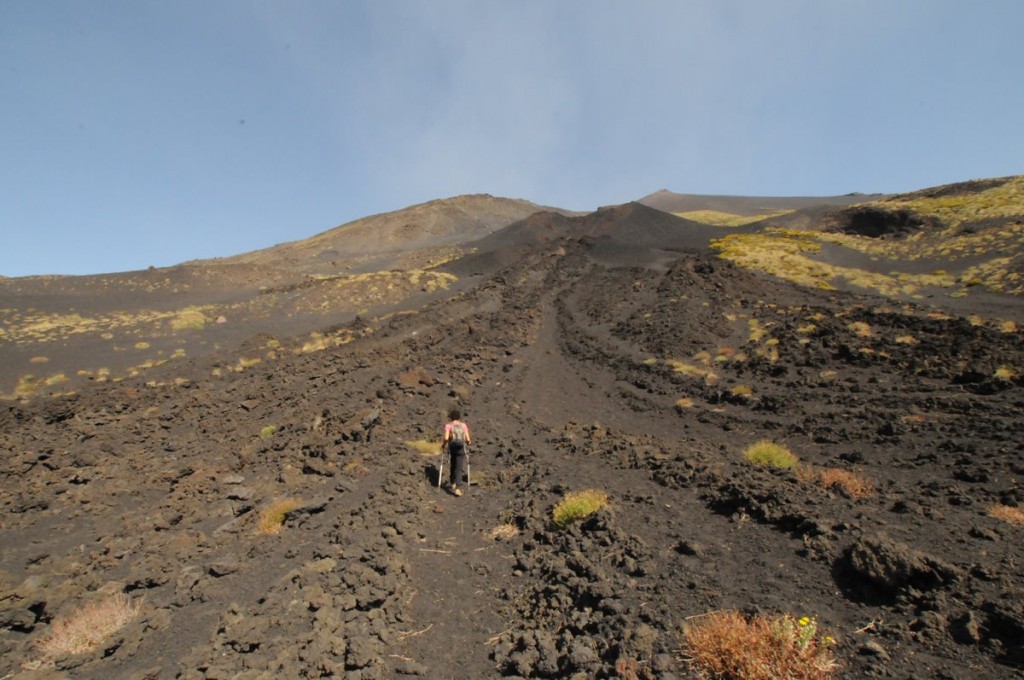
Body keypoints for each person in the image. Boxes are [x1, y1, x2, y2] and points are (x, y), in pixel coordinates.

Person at [441, 409, 472, 496]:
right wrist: (468, 443)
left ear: (451, 417)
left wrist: (443, 445)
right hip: (461, 448)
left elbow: (446, 438)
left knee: (453, 464)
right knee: (459, 467)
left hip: (452, 447)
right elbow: (468, 439)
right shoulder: (463, 425)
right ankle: (458, 488)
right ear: (459, 417)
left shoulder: (449, 426)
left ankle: (452, 482)